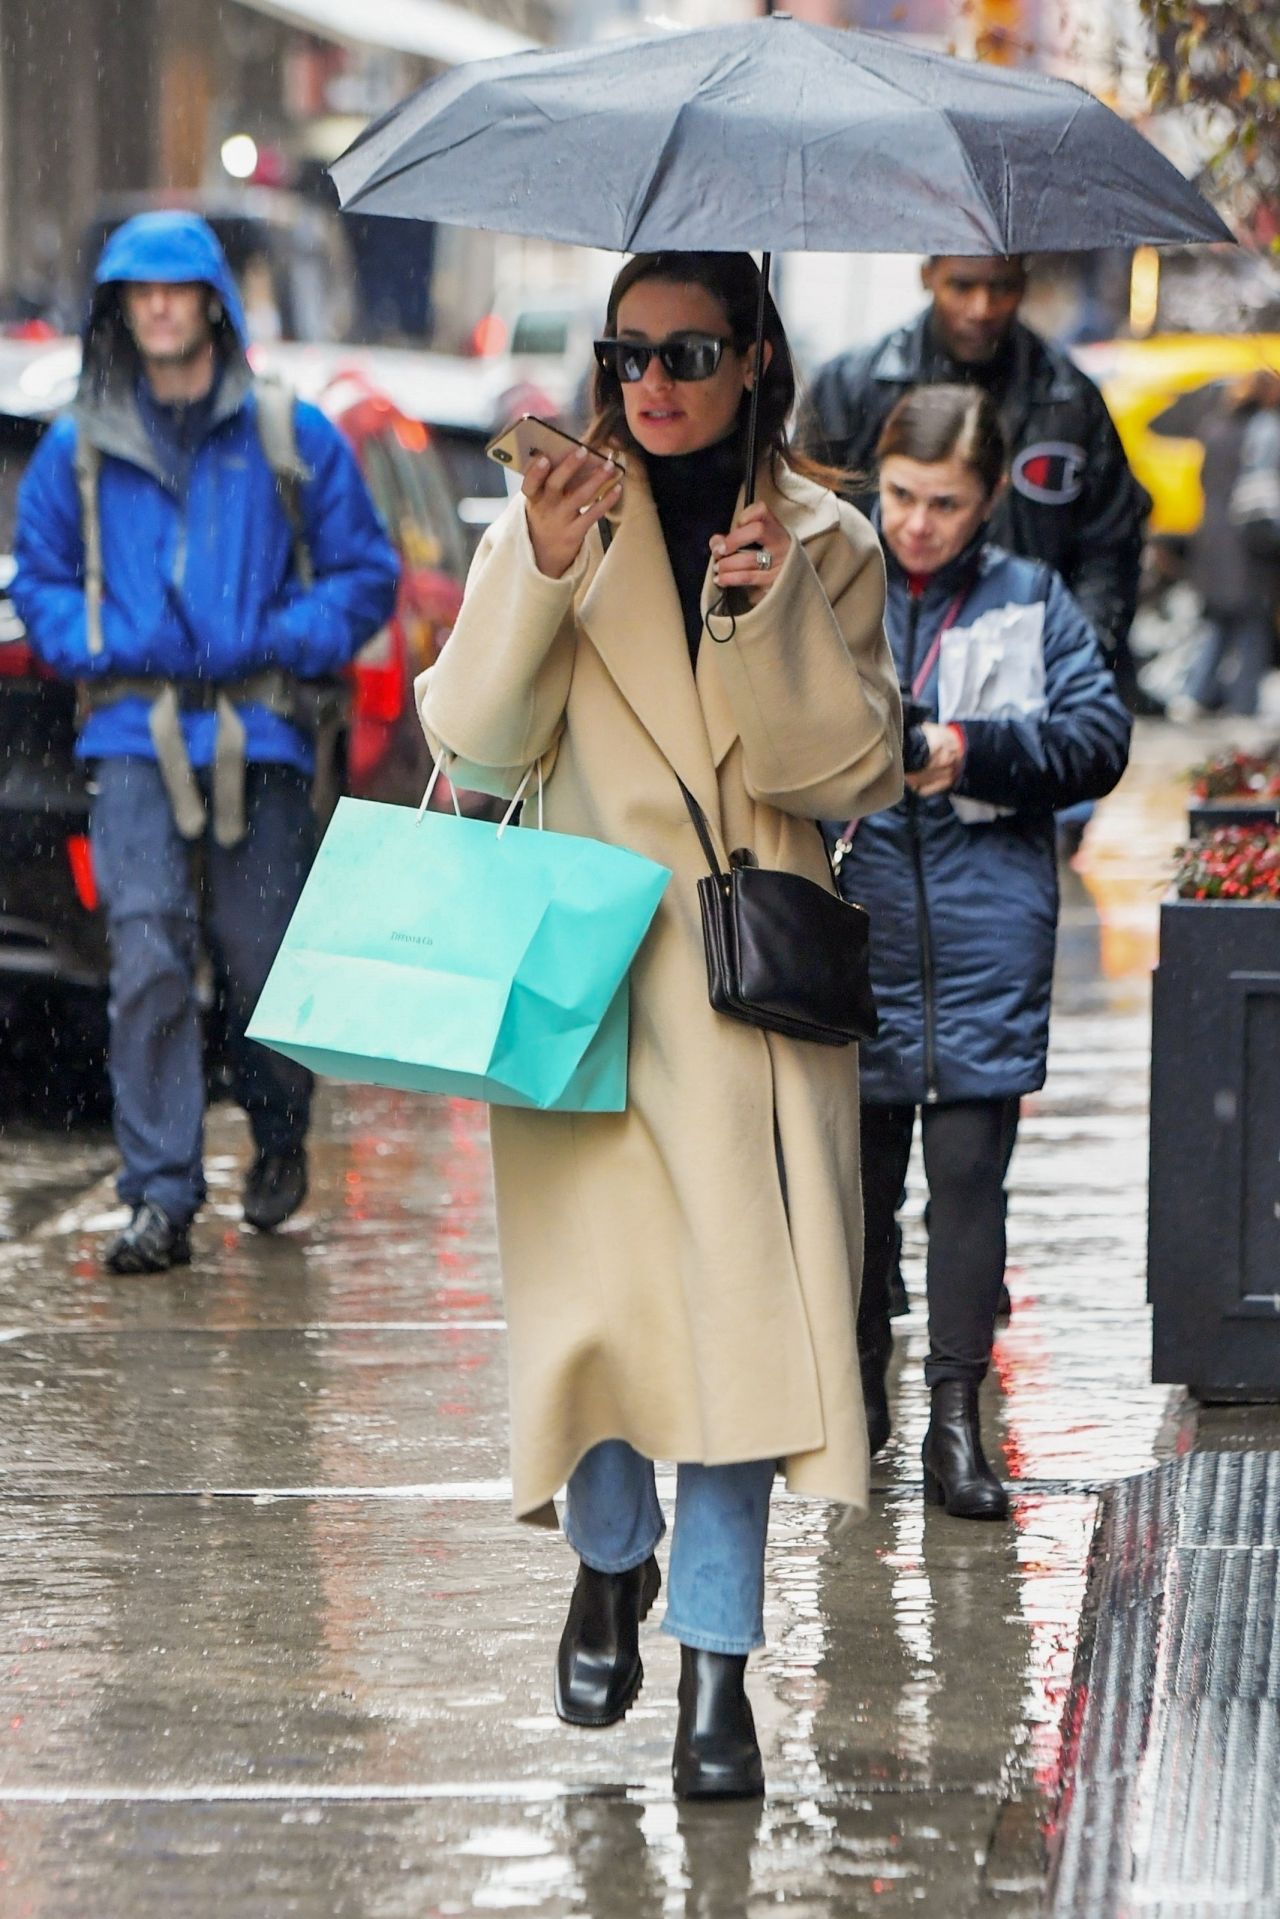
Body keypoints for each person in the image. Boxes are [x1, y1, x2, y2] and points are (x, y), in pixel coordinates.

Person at [416, 251, 902, 1797]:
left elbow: (851, 777)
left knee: (745, 1347)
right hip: (595, 983)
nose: (652, 382)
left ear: (757, 356)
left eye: (689, 351)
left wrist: (769, 621)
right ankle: (608, 1554)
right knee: (618, 1330)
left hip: (755, 992)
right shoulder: (557, 510)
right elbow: (474, 744)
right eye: (627, 352)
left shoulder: (829, 540)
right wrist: (544, 571)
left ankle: (717, 1671)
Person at [13, 212, 398, 1273]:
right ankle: (160, 1196)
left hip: (259, 730)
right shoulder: (75, 446)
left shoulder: (290, 431)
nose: (162, 307)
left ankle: (279, 1127)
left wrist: (280, 636)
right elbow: (35, 571)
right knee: (145, 954)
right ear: (119, 312)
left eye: (178, 289)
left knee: (263, 960)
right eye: (140, 293)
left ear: (214, 304)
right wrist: (91, 637)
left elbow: (364, 573)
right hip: (133, 731)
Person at [831, 384, 1130, 1514]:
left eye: (945, 503)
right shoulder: (831, 585)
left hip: (984, 932)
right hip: (848, 929)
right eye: (901, 497)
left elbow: (1097, 736)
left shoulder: (1027, 598)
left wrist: (969, 747)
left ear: (988, 498)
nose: (917, 524)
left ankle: (953, 1424)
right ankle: (858, 1387)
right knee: (854, 1195)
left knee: (965, 1191)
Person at [805, 255, 1155, 715]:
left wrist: (1070, 659)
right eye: (963, 286)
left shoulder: (1071, 399)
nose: (981, 307)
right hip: (877, 672)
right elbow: (808, 529)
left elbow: (1110, 548)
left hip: (1029, 682)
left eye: (1002, 287)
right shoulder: (852, 387)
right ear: (928, 275)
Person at [1181, 369, 1280, 718]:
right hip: (1251, 540)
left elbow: (1205, 481)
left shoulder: (1213, 428)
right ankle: (1243, 702)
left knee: (1218, 624)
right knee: (1253, 625)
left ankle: (1196, 693)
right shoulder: (1263, 432)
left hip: (1212, 536)